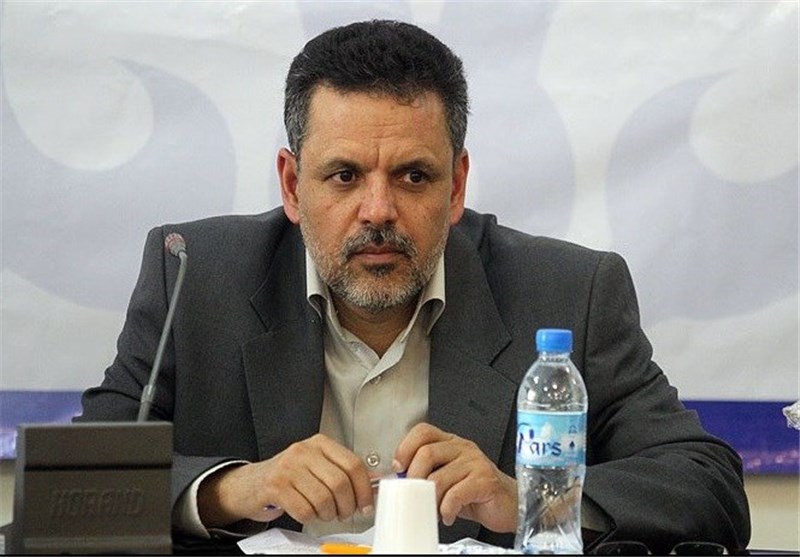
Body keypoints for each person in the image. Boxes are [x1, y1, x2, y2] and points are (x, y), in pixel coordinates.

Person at [76, 19, 751, 554]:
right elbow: (73, 479)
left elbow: (707, 483)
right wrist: (231, 488)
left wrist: (528, 499)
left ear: (456, 187)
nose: (378, 211)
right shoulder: (195, 276)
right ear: (292, 184)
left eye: (413, 176)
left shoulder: (568, 292)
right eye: (344, 176)